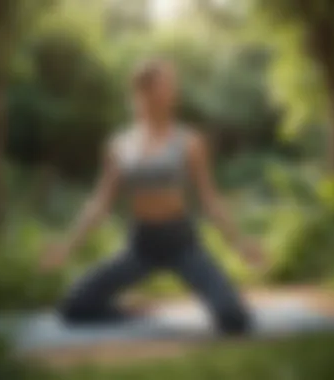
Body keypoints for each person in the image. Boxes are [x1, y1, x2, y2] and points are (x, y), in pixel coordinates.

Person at [41, 58, 265, 336]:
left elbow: (210, 199)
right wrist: (67, 245)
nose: (175, 91)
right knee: (74, 307)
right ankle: (135, 314)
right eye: (167, 84)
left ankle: (226, 302)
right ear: (144, 91)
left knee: (233, 319)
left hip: (181, 242)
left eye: (173, 84)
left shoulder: (190, 141)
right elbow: (100, 201)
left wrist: (240, 243)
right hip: (141, 244)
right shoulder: (119, 145)